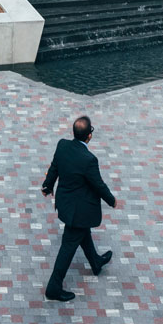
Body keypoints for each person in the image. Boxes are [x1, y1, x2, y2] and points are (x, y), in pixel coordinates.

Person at [40, 115, 117, 302]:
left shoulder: (62, 145)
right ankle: (53, 288)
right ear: (89, 136)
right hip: (78, 210)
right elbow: (98, 184)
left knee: (82, 232)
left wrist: (47, 186)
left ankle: (96, 262)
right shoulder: (89, 159)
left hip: (67, 204)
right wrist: (111, 200)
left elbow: (54, 168)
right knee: (68, 246)